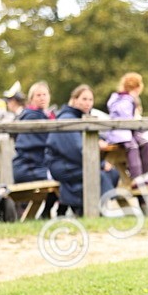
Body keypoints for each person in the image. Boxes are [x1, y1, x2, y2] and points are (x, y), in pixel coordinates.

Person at [45, 84, 120, 216]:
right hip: (62, 166)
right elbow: (75, 150)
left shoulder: (80, 118)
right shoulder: (67, 119)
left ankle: (88, 208)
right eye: (84, 99)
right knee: (99, 175)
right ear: (74, 100)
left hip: (74, 163)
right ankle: (90, 211)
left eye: (90, 100)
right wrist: (101, 164)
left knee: (113, 173)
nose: (87, 103)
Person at [104, 72, 148, 189]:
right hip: (119, 132)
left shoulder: (127, 99)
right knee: (133, 147)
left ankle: (145, 175)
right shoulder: (122, 100)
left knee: (146, 143)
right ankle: (136, 177)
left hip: (130, 130)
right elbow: (125, 117)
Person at [12, 81, 55, 184]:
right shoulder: (32, 117)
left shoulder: (48, 116)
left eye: (45, 94)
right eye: (38, 95)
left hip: (37, 167)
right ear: (31, 99)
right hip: (29, 168)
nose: (42, 98)